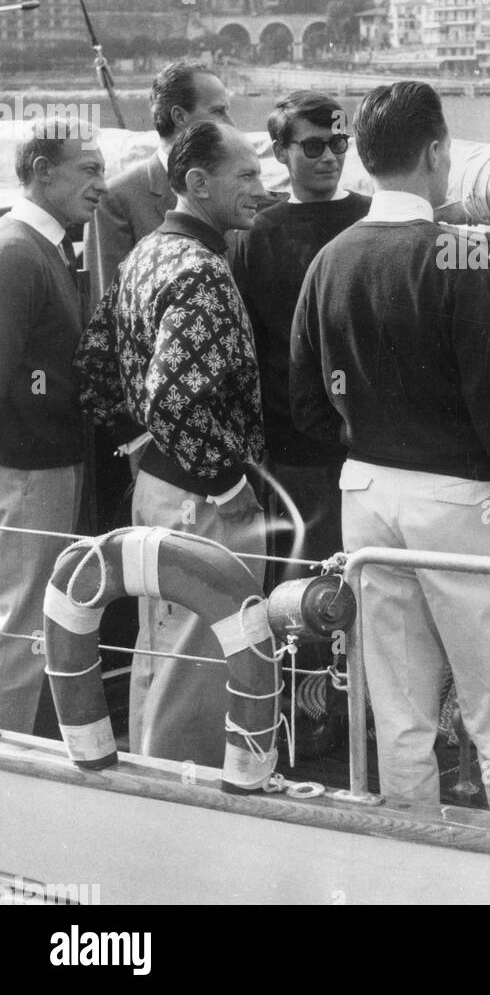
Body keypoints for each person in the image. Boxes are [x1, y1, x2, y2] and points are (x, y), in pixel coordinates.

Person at [291, 81, 490, 817]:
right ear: (437, 151)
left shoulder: (329, 260)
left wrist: (368, 436)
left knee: (400, 708)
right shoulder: (453, 252)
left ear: (361, 155)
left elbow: (305, 405)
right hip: (459, 503)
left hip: (366, 498)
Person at [75, 123, 267, 767]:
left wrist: (136, 447)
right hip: (201, 502)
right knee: (200, 665)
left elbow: (95, 363)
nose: (259, 187)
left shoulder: (147, 252)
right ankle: (184, 811)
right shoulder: (203, 270)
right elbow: (171, 398)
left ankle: (149, 785)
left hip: (158, 489)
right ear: (196, 183)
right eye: (245, 175)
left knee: (163, 659)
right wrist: (231, 486)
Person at [231, 92, 370, 574]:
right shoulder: (255, 235)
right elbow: (247, 347)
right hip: (296, 451)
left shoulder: (374, 218)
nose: (329, 156)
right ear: (280, 153)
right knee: (306, 585)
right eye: (312, 147)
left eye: (338, 143)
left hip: (376, 445)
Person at [0, 117, 107, 732]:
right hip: (29, 475)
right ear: (43, 173)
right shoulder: (18, 253)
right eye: (89, 171)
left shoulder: (39, 248)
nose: (102, 186)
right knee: (21, 625)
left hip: (45, 469)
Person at [83, 60, 233, 299]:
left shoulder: (228, 188)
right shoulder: (116, 199)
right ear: (179, 117)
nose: (230, 124)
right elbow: (107, 307)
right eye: (218, 111)